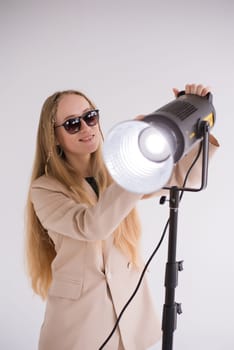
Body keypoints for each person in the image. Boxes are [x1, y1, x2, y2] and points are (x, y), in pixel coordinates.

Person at [25, 84, 219, 350]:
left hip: (131, 317)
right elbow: (90, 225)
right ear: (54, 137)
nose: (86, 127)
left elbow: (183, 177)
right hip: (79, 326)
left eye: (90, 116)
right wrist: (135, 164)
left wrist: (191, 119)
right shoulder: (45, 189)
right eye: (72, 123)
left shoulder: (116, 167)